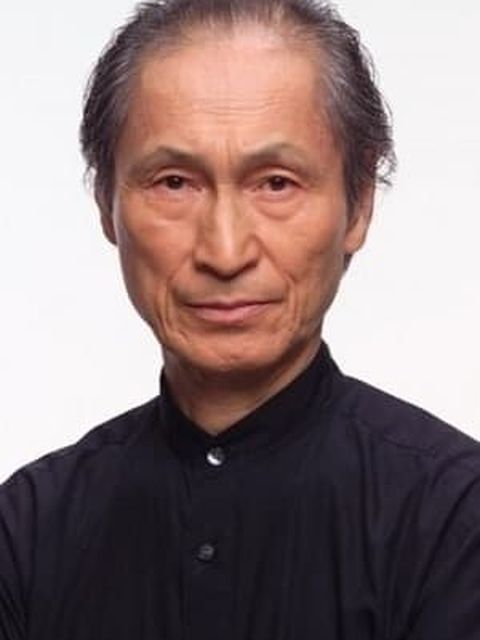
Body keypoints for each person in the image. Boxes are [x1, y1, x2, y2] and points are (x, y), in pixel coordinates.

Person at [1, 0, 479, 638]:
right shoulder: (28, 530)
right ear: (105, 203)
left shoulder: (456, 518)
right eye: (174, 183)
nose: (225, 252)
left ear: (359, 204)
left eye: (276, 183)